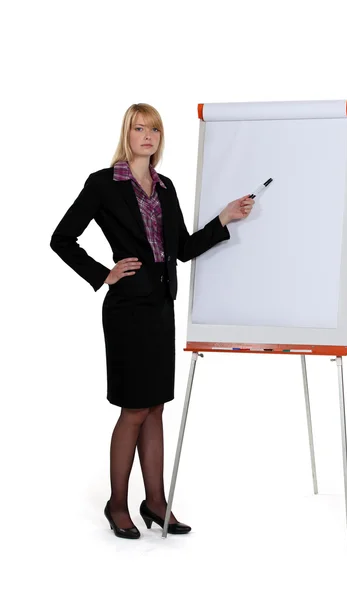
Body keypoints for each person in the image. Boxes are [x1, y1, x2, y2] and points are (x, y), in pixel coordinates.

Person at [50, 102, 255, 539]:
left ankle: (156, 502)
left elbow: (180, 247)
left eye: (155, 129)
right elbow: (61, 238)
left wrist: (225, 218)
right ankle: (118, 504)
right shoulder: (103, 184)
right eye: (140, 128)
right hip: (126, 311)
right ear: (127, 134)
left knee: (157, 406)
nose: (148, 136)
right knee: (134, 407)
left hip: (162, 308)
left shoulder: (165, 187)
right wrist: (102, 274)